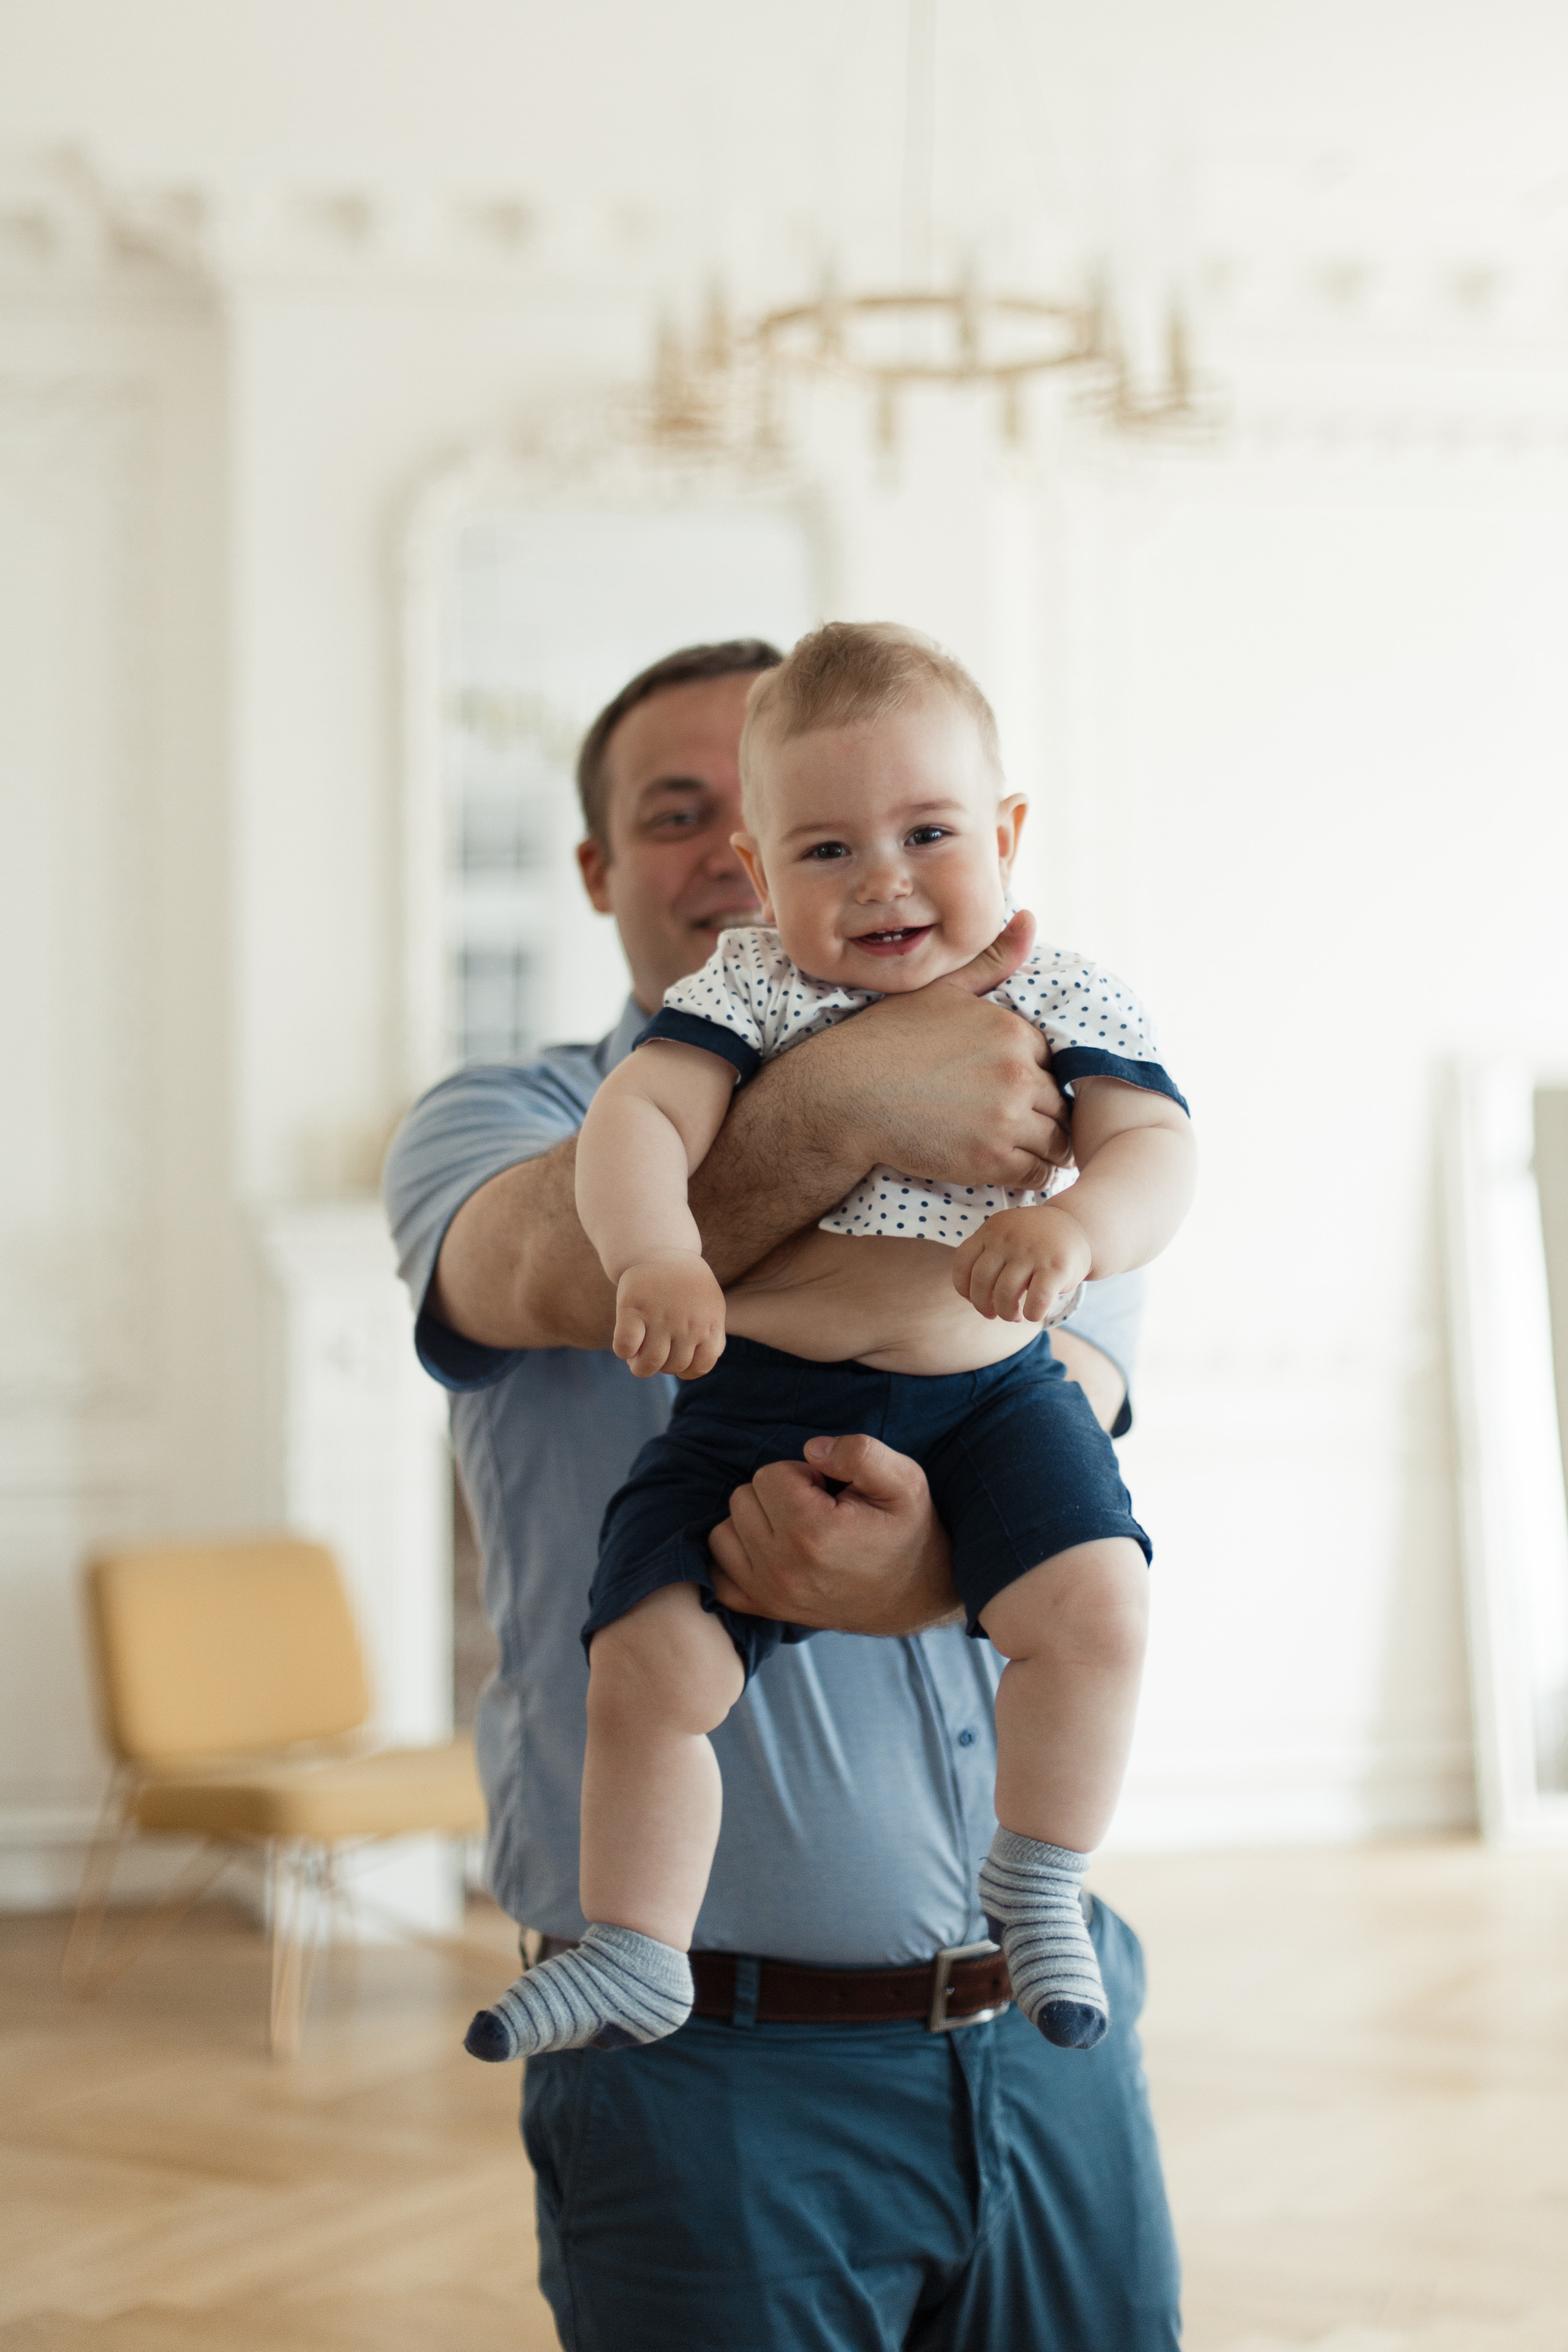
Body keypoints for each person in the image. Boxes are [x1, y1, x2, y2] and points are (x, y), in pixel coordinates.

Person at [383, 637, 1183, 2349]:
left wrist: (926, 1567)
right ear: (608, 868)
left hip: (1047, 2034)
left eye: (907, 828)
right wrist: (847, 1095)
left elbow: (1080, 1390)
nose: (749, 865)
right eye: (694, 819)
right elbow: (548, 1264)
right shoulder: (508, 1113)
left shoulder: (1033, 1088)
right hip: (709, 2075)